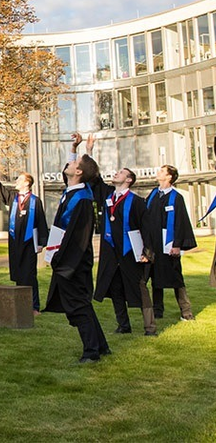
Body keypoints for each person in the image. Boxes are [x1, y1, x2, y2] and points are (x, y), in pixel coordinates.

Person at [44, 134, 109, 363]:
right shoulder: (73, 191)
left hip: (73, 262)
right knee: (82, 305)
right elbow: (68, 172)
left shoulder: (81, 198)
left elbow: (78, 238)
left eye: (73, 163)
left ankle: (91, 353)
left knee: (77, 306)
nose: (68, 165)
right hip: (68, 260)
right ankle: (101, 346)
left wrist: (60, 260)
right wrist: (74, 148)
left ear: (79, 172)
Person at [85, 135, 156, 336]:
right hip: (110, 251)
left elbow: (147, 229)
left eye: (121, 172)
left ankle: (150, 327)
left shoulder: (137, 201)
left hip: (130, 251)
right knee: (115, 289)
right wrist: (89, 152)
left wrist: (147, 252)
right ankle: (123, 325)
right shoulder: (107, 195)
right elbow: (93, 178)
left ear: (129, 180)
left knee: (139, 289)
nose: (116, 173)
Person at [0, 170, 48, 315]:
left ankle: (34, 306)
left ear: (27, 183)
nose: (16, 181)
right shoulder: (14, 198)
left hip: (29, 242)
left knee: (29, 275)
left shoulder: (35, 201)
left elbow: (41, 222)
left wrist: (41, 242)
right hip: (15, 242)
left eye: (20, 179)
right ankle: (21, 305)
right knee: (19, 273)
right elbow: (1, 191)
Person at [145, 165, 197, 321]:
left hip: (169, 244)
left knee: (176, 277)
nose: (158, 172)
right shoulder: (154, 194)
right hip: (153, 244)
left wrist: (177, 245)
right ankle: (158, 311)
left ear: (169, 177)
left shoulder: (176, 197)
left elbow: (181, 222)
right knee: (155, 277)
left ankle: (186, 312)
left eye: (162, 171)